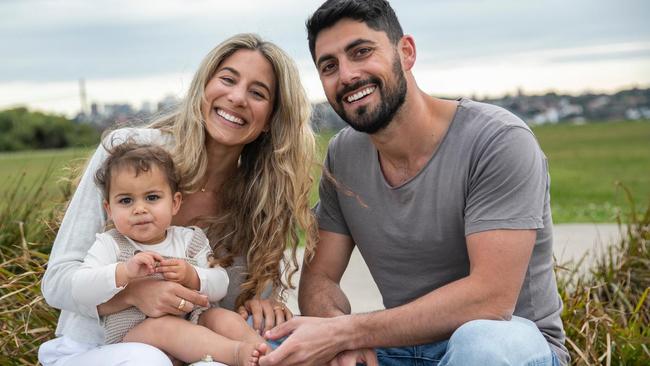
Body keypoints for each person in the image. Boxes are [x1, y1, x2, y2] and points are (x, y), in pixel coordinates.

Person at [260, 1, 569, 365]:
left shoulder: (497, 140)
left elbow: (490, 299)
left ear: (406, 52)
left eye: (361, 52)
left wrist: (350, 331)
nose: (346, 75)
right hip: (401, 348)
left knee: (480, 343)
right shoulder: (344, 155)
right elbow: (320, 278)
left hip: (510, 342)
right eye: (329, 66)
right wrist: (334, 332)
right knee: (268, 346)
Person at [39, 33, 317, 366]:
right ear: (203, 89)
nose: (237, 97)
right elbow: (55, 283)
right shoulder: (130, 155)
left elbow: (220, 306)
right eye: (227, 80)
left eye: (257, 93)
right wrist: (133, 294)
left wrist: (260, 305)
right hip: (96, 348)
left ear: (271, 119)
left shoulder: (257, 202)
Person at [71, 141, 267, 365]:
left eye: (152, 197)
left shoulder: (190, 240)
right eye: (126, 200)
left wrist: (192, 276)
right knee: (166, 328)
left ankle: (262, 351)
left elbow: (220, 284)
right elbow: (79, 289)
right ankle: (235, 354)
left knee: (223, 318)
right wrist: (124, 272)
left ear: (175, 203)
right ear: (109, 210)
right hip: (135, 333)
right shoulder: (111, 244)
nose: (140, 208)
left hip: (193, 319)